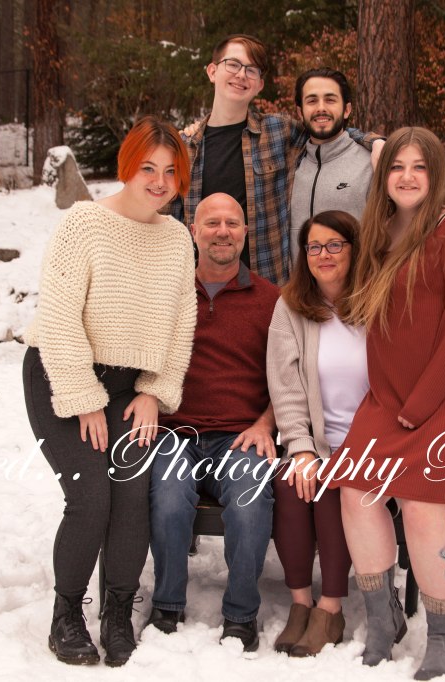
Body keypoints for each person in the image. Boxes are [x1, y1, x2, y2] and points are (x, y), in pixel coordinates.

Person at [266, 211, 445, 659]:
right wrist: (301, 447)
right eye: (314, 247)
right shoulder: (292, 307)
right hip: (324, 444)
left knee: (372, 494)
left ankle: (360, 616)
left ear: (356, 251)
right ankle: (343, 611)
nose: (324, 255)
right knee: (312, 487)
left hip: (389, 434)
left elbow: (444, 321)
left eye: (335, 245)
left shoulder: (381, 298)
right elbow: (285, 387)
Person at [333, 127, 445, 680]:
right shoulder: (379, 231)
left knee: (420, 504)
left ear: (437, 175)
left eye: (420, 167)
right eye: (397, 167)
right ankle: (383, 618)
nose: (407, 176)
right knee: (355, 490)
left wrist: (419, 407)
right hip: (394, 391)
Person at [22, 116, 196, 667]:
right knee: (91, 496)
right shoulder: (84, 223)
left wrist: (154, 391)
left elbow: (181, 323)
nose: (159, 181)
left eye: (170, 171)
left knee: (131, 496)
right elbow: (58, 315)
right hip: (61, 372)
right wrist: (84, 398)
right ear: (127, 167)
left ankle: (117, 611)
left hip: (129, 387)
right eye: (148, 168)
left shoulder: (177, 238)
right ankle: (67, 614)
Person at [147, 192, 281, 653]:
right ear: (193, 231)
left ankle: (241, 615)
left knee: (248, 503)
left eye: (231, 223)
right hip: (175, 431)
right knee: (168, 500)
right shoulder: (169, 293)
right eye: (211, 223)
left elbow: (291, 378)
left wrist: (265, 424)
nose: (222, 231)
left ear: (245, 232)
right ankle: (167, 604)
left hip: (241, 434)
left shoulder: (271, 301)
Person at [168, 35, 382, 285]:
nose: (241, 75)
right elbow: (169, 226)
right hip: (202, 291)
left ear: (259, 84)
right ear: (212, 71)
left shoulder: (278, 132)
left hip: (268, 289)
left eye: (251, 69)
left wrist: (376, 142)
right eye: (233, 64)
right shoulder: (184, 148)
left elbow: (328, 130)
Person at [288, 69, 373, 262]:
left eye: (330, 100)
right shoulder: (290, 166)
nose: (321, 108)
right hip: (298, 281)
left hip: (358, 281)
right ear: (300, 112)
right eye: (312, 101)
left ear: (347, 109)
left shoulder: (370, 165)